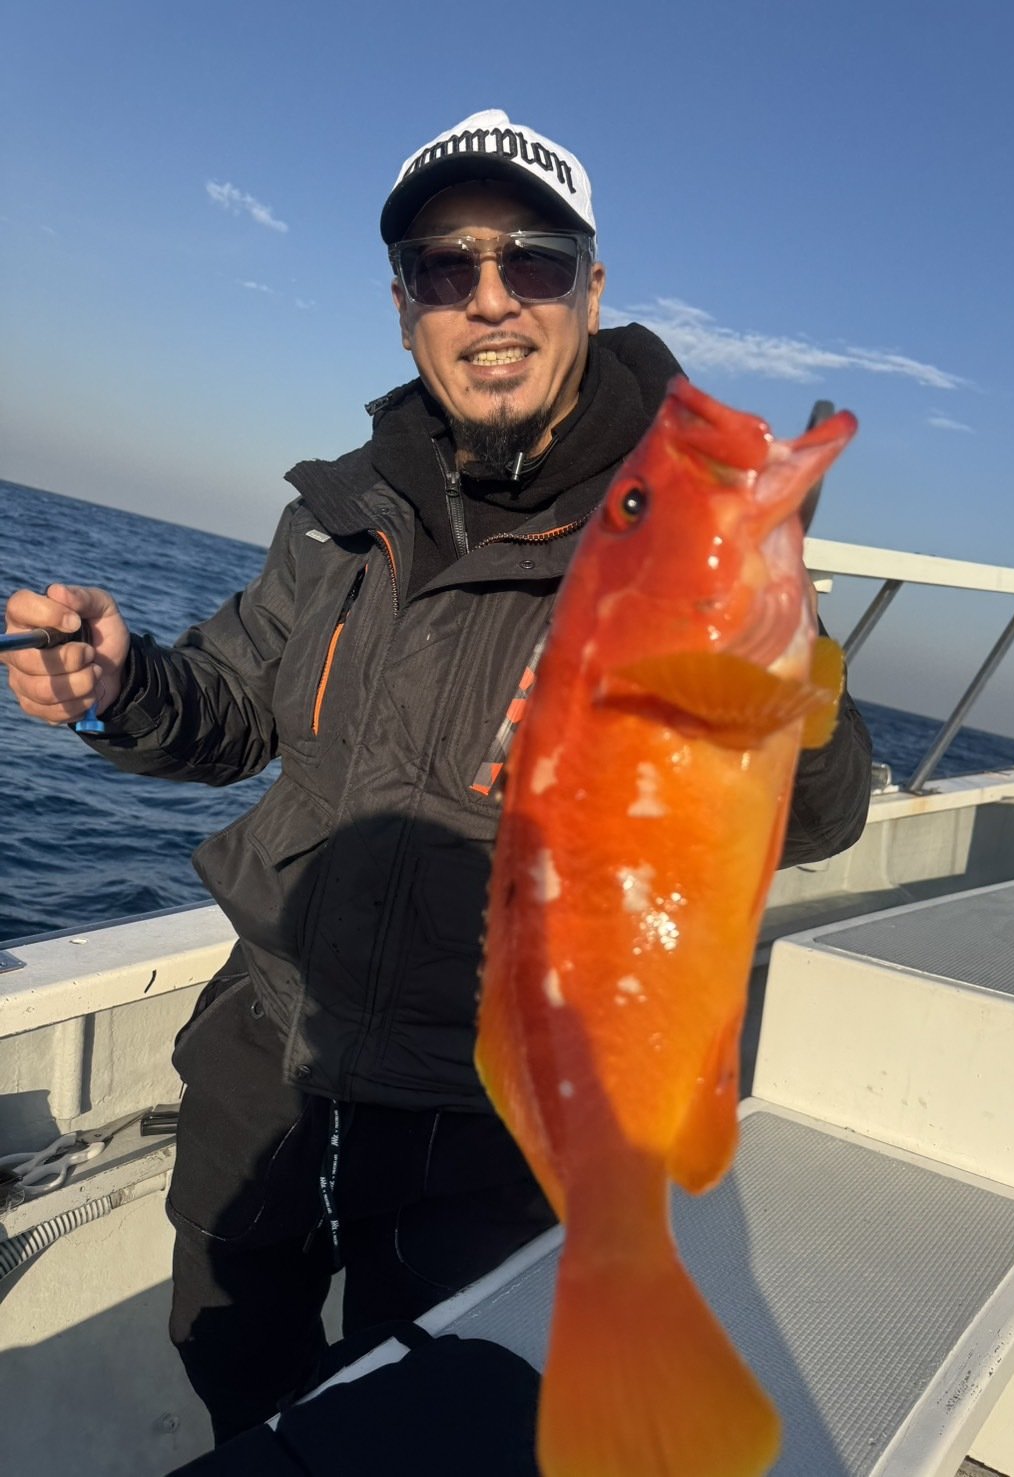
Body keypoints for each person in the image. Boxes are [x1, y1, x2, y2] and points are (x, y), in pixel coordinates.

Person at [1, 109, 873, 1442]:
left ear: (591, 289)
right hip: (268, 1061)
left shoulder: (666, 531)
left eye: (532, 262)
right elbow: (233, 708)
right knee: (232, 1365)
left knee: (422, 1432)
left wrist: (785, 676)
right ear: (404, 307)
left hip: (482, 1130)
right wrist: (118, 687)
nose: (490, 299)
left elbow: (818, 813)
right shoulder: (340, 518)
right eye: (443, 268)